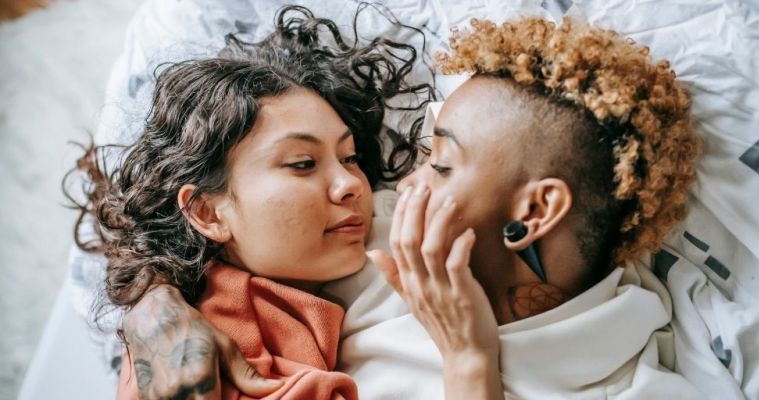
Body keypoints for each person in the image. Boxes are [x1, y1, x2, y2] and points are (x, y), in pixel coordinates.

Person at [108, 13, 706, 400]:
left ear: (537, 211)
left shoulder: (638, 383)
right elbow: (200, 229)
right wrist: (154, 300)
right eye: (304, 163)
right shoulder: (369, 237)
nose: (368, 187)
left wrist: (469, 361)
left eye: (440, 165)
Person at [68, 5, 435, 399]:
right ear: (206, 212)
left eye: (350, 158)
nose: (350, 184)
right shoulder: (211, 352)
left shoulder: (287, 304)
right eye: (302, 163)